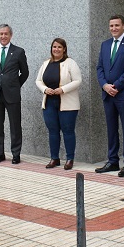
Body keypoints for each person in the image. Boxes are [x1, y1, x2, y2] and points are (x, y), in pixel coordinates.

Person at [95, 14, 124, 177]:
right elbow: (100, 68)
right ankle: (113, 161)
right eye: (111, 26)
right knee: (111, 129)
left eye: (117, 25)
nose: (114, 28)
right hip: (108, 94)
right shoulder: (105, 44)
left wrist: (116, 86)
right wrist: (105, 85)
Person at [35, 38, 81, 170]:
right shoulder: (46, 63)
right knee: (53, 131)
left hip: (67, 104)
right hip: (49, 102)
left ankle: (69, 159)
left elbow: (78, 80)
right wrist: (45, 89)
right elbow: (38, 80)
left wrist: (63, 89)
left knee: (68, 131)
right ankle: (54, 158)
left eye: (59, 47)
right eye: (54, 47)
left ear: (64, 49)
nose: (56, 49)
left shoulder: (70, 63)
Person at [0, 24, 29, 165]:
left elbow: (25, 72)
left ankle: (16, 154)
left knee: (15, 126)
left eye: (6, 34)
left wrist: (14, 85)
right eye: (1, 34)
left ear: (11, 35)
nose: (3, 36)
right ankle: (0, 154)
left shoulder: (18, 52)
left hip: (12, 94)